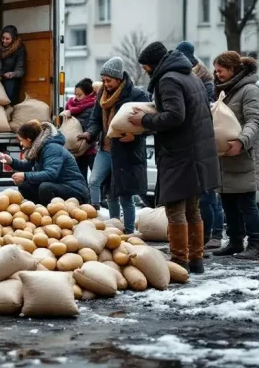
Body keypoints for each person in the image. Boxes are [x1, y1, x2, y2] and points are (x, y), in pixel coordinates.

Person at [129, 41, 220, 274]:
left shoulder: (169, 79)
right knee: (193, 208)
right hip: (197, 151)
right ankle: (196, 259)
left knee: (175, 208)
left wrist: (145, 121)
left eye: (146, 66)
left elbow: (175, 115)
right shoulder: (190, 76)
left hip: (180, 153)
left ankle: (180, 259)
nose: (145, 71)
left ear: (153, 64)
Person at [78, 58, 148, 234]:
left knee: (124, 195)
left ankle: (129, 232)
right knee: (97, 184)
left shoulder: (136, 95)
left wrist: (135, 135)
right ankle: (106, 224)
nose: (105, 83)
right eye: (103, 80)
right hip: (105, 149)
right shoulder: (102, 95)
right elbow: (95, 120)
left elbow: (149, 123)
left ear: (118, 79)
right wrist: (89, 134)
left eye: (108, 80)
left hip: (127, 152)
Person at [212, 52, 259, 260]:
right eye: (216, 71)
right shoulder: (225, 91)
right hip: (226, 157)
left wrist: (242, 142)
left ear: (233, 69)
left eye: (221, 70)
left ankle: (255, 245)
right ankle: (235, 242)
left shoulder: (249, 91)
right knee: (228, 203)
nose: (217, 75)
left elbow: (255, 121)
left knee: (246, 204)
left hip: (244, 155)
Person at [175, 41, 224, 249]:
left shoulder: (203, 79)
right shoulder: (196, 77)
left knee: (208, 195)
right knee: (204, 195)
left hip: (204, 141)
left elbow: (203, 106)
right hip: (197, 142)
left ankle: (214, 235)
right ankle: (205, 237)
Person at [2, 120, 90, 205]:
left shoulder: (52, 148)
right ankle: (37, 212)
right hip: (58, 185)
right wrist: (11, 161)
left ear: (28, 139)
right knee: (24, 186)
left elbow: (51, 174)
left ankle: (50, 216)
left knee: (45, 187)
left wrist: (25, 176)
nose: (21, 143)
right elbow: (28, 165)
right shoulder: (38, 148)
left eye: (21, 140)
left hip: (74, 190)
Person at [61, 78, 97, 180]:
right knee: (80, 178)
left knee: (96, 180)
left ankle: (99, 196)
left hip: (91, 149)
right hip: (77, 151)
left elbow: (91, 126)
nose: (76, 98)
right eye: (75, 94)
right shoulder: (70, 106)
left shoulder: (93, 107)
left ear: (88, 94)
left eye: (80, 95)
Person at [0, 25, 26, 104]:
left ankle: (9, 108)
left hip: (10, 78)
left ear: (13, 39)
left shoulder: (19, 49)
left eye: (7, 39)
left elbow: (20, 70)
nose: (4, 41)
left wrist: (12, 74)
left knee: (10, 88)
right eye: (3, 38)